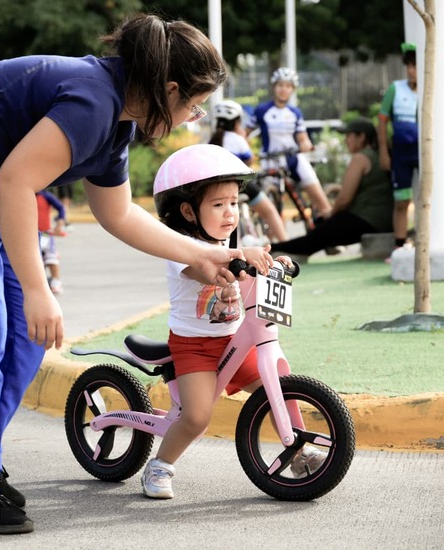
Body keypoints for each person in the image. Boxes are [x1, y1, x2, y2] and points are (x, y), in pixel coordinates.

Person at [0, 13, 248, 534]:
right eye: (193, 103)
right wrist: (36, 288)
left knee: (26, 342)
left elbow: (117, 213)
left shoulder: (115, 121)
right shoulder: (93, 100)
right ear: (167, 89)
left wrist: (199, 255)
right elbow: (15, 182)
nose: (194, 116)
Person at [141, 143, 324, 499]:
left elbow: (253, 260)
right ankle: (159, 466)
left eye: (234, 203)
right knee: (196, 417)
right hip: (194, 346)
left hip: (233, 340)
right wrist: (241, 258)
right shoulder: (180, 246)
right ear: (189, 212)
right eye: (218, 204)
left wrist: (275, 262)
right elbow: (205, 269)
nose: (229, 213)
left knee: (281, 390)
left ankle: (300, 452)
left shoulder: (231, 238)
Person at [270, 118, 393, 258]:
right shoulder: (379, 156)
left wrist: (330, 214)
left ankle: (272, 249)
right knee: (321, 230)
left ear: (361, 137)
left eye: (349, 136)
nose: (346, 140)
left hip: (367, 221)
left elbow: (344, 200)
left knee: (316, 233)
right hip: (384, 221)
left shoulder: (361, 158)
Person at [247, 67, 333, 220]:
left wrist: (306, 144)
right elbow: (245, 133)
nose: (283, 89)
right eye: (280, 85)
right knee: (271, 204)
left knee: (316, 189)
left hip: (293, 158)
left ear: (292, 89)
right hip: (270, 160)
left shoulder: (295, 112)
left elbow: (302, 137)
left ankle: (329, 221)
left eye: (288, 86)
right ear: (274, 87)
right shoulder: (262, 110)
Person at [210, 99, 288, 243]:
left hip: (216, 189)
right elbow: (249, 160)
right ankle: (286, 243)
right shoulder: (237, 139)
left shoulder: (211, 140)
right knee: (269, 211)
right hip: (240, 184)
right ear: (237, 122)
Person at [378, 42, 418, 253]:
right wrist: (384, 153)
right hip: (401, 154)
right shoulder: (396, 88)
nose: (411, 70)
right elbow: (382, 121)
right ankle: (400, 246)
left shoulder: (432, 89)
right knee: (402, 201)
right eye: (409, 66)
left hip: (424, 153)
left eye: (415, 65)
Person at [36, 190, 67, 294]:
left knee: (51, 258)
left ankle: (56, 281)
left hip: (46, 234)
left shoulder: (44, 195)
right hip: (30, 234)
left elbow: (61, 208)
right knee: (36, 261)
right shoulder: (20, 194)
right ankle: (41, 283)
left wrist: (60, 222)